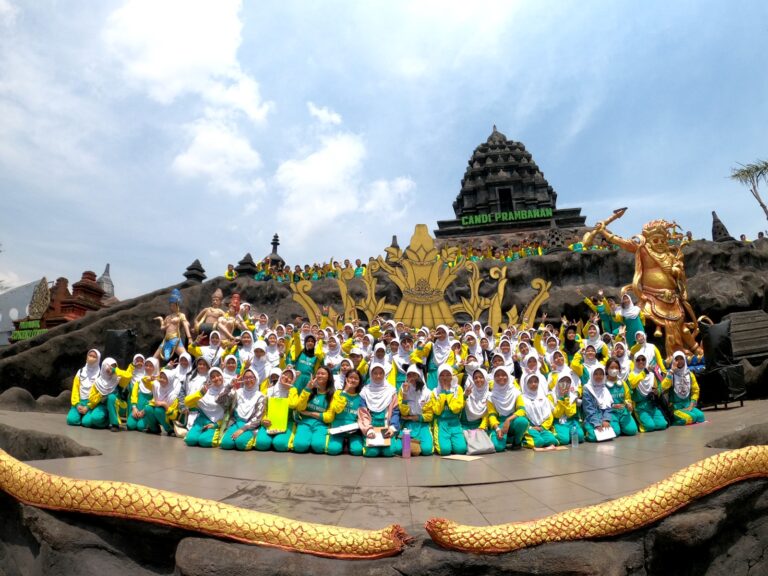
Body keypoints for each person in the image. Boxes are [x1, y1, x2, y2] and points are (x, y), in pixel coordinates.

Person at [219, 367, 268, 451]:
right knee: (225, 444)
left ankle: (253, 436)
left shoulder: (261, 397)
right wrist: (229, 386)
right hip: (236, 423)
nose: (248, 380)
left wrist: (243, 429)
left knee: (241, 444)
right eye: (246, 378)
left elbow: (257, 418)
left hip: (251, 426)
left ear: (256, 379)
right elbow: (220, 400)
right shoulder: (238, 392)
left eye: (251, 377)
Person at [292, 366, 335, 454]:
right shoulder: (309, 390)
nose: (319, 376)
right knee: (299, 446)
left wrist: (310, 413)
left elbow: (329, 417)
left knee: (318, 447)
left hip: (321, 424)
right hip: (305, 422)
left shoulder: (333, 394)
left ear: (329, 377)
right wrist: (307, 389)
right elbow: (300, 407)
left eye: (323, 374)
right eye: (318, 373)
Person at [359, 363, 400, 457]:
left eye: (381, 373)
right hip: (371, 428)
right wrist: (368, 430)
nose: (378, 376)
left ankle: (395, 441)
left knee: (389, 452)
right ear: (370, 374)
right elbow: (363, 414)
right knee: (371, 453)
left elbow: (395, 411)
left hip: (387, 428)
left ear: (384, 374)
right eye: (375, 373)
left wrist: (392, 428)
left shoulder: (391, 391)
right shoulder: (365, 391)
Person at [324, 369, 365, 456]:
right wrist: (345, 391)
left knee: (357, 451)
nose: (353, 380)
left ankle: (348, 443)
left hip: (353, 431)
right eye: (350, 377)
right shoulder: (338, 393)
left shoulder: (361, 396)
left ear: (359, 381)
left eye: (356, 378)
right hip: (338, 429)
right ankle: (341, 443)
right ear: (346, 379)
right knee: (333, 450)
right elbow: (337, 409)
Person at [487, 366, 528, 451]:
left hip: (512, 420)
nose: (500, 377)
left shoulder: (516, 392)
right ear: (494, 378)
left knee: (522, 421)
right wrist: (497, 428)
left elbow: (522, 410)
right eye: (497, 375)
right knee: (498, 447)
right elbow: (492, 415)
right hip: (499, 423)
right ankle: (506, 438)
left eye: (503, 375)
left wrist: (508, 420)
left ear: (508, 376)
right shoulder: (491, 396)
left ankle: (517, 442)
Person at [396, 365, 434, 456]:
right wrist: (405, 394)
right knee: (398, 449)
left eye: (414, 375)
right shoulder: (403, 389)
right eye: (409, 375)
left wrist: (417, 417)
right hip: (408, 425)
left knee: (427, 450)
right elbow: (403, 412)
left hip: (422, 425)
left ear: (419, 375)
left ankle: (416, 445)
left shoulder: (428, 392)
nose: (411, 377)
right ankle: (413, 446)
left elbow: (429, 415)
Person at [184, 367, 227, 447]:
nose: (216, 378)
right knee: (190, 440)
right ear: (209, 379)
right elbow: (187, 402)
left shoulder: (227, 391)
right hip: (200, 421)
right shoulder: (205, 390)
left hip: (215, 422)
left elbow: (229, 414)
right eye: (213, 377)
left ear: (222, 376)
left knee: (205, 441)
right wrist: (201, 393)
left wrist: (217, 424)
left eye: (218, 375)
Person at [627, 353, 668, 432]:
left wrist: (656, 391)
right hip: (640, 407)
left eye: (643, 359)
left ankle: (650, 420)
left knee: (662, 424)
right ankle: (639, 422)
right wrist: (644, 372)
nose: (641, 362)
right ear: (635, 361)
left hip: (652, 405)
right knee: (650, 426)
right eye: (638, 360)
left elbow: (659, 387)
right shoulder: (632, 375)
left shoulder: (652, 375)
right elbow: (632, 384)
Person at [431, 364, 467, 455]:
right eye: (442, 375)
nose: (445, 378)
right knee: (444, 451)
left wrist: (448, 393)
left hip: (455, 422)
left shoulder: (458, 389)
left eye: (448, 375)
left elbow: (456, 409)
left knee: (461, 449)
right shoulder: (435, 392)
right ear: (438, 377)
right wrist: (443, 392)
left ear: (452, 376)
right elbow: (437, 411)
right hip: (441, 422)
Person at [662, 351, 705, 425]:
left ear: (684, 360)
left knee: (701, 416)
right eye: (676, 359)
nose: (679, 361)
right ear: (673, 361)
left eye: (681, 359)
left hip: (688, 405)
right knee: (690, 418)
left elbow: (696, 390)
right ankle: (672, 421)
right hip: (675, 408)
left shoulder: (690, 374)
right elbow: (663, 387)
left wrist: (692, 404)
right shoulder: (671, 374)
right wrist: (672, 371)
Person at [81, 357, 122, 430]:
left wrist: (115, 370)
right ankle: (107, 421)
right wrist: (100, 396)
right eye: (108, 366)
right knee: (86, 422)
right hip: (102, 406)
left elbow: (129, 376)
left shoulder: (118, 379)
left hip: (116, 406)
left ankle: (114, 423)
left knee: (111, 397)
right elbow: (92, 398)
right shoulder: (98, 382)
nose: (110, 369)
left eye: (113, 366)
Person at [519, 374, 559, 449]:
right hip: (529, 428)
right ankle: (523, 441)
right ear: (526, 384)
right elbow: (521, 415)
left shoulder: (543, 398)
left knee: (552, 440)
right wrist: (531, 427)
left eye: (535, 381)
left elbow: (549, 416)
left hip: (542, 427)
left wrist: (542, 427)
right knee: (538, 442)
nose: (533, 384)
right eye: (530, 382)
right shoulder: (522, 398)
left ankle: (540, 437)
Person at [153, 289, 192, 361]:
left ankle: (188, 371)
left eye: (174, 305)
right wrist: (161, 320)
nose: (172, 306)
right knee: (154, 358)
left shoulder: (180, 315)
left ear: (177, 305)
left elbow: (186, 325)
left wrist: (189, 337)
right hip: (166, 340)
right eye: (171, 305)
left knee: (186, 357)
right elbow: (162, 328)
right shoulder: (168, 317)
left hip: (175, 339)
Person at [582, 366, 618, 442]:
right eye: (596, 374)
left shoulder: (604, 389)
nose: (599, 376)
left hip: (603, 416)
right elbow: (589, 409)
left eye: (601, 374)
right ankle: (586, 431)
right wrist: (597, 424)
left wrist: (606, 420)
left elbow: (608, 407)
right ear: (592, 375)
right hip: (591, 419)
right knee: (593, 437)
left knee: (616, 431)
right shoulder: (587, 389)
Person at [604, 358, 638, 436]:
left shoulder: (623, 383)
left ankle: (623, 426)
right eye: (611, 367)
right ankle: (617, 426)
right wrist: (612, 406)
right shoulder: (603, 385)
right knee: (615, 432)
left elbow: (627, 397)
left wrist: (628, 404)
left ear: (619, 370)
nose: (614, 370)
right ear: (606, 369)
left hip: (623, 411)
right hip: (611, 412)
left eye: (616, 368)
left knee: (632, 430)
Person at [67, 349, 101, 426]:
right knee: (71, 420)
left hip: (91, 404)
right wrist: (77, 404)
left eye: (94, 357)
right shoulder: (81, 371)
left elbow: (99, 394)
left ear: (98, 359)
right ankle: (80, 416)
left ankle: (86, 416)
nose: (91, 358)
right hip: (79, 402)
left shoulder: (100, 374)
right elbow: (75, 389)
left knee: (87, 423)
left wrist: (88, 406)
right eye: (90, 355)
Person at [550, 371, 584, 445]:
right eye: (562, 381)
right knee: (564, 440)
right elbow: (556, 414)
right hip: (558, 421)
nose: (565, 384)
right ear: (558, 382)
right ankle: (556, 432)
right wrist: (561, 399)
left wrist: (566, 398)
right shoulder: (552, 396)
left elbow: (570, 413)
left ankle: (568, 433)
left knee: (580, 436)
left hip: (570, 421)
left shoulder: (572, 396)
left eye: (568, 382)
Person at [145, 368, 181, 435]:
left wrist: (165, 405)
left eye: (165, 378)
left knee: (158, 410)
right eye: (161, 377)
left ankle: (170, 430)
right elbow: (145, 382)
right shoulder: (157, 387)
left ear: (170, 380)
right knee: (148, 408)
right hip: (160, 413)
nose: (161, 380)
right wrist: (149, 379)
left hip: (170, 419)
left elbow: (174, 416)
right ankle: (154, 429)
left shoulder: (173, 395)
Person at [128, 357, 159, 431]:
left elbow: (156, 399)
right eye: (146, 365)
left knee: (140, 426)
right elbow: (134, 396)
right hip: (136, 409)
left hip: (146, 411)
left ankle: (153, 424)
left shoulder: (158, 383)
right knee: (130, 425)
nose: (148, 368)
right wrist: (134, 408)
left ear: (155, 367)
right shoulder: (138, 381)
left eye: (151, 366)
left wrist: (144, 411)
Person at [461, 367, 490, 432]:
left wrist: (481, 427)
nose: (478, 380)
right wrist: (465, 396)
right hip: (464, 426)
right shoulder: (468, 392)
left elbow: (487, 415)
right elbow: (459, 407)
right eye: (475, 378)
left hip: (480, 427)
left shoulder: (489, 396)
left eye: (481, 377)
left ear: (485, 379)